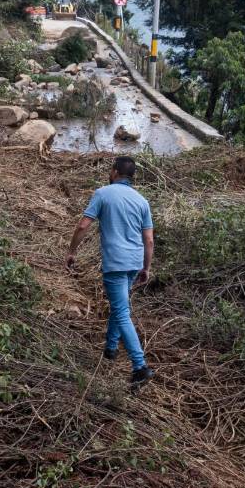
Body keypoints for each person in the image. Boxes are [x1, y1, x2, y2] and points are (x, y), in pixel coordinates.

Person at [65, 156, 155, 388]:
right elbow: (149, 240)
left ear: (115, 172)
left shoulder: (103, 193)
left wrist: (72, 251)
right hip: (134, 262)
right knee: (120, 305)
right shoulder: (142, 200)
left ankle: (139, 366)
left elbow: (83, 225)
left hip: (115, 262)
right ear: (131, 175)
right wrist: (146, 267)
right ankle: (111, 348)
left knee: (122, 311)